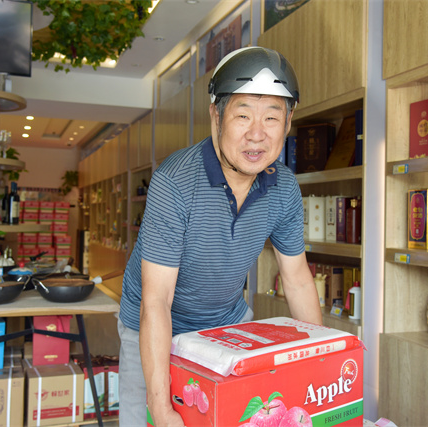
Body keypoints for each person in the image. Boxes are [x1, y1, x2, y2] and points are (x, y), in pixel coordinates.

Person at [117, 46, 322, 426]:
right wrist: (161, 410)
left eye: (271, 117)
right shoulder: (174, 183)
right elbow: (156, 300)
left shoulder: (284, 188)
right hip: (153, 324)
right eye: (243, 115)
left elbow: (296, 280)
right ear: (216, 114)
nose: (257, 134)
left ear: (288, 121)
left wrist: (320, 362)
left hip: (226, 326)